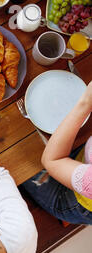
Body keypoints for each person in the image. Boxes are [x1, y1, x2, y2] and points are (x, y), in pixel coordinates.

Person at [21, 81, 92, 225]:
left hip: (72, 199)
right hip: (82, 160)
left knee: (19, 160)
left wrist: (85, 103)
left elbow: (52, 161)